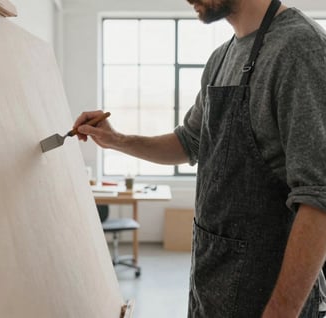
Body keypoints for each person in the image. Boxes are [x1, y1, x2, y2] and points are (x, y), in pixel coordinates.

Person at [74, 0, 326, 317]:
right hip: (212, 283)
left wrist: (281, 311)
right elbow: (190, 141)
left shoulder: (300, 48)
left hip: (267, 297)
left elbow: (319, 196)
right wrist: (117, 140)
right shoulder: (220, 59)